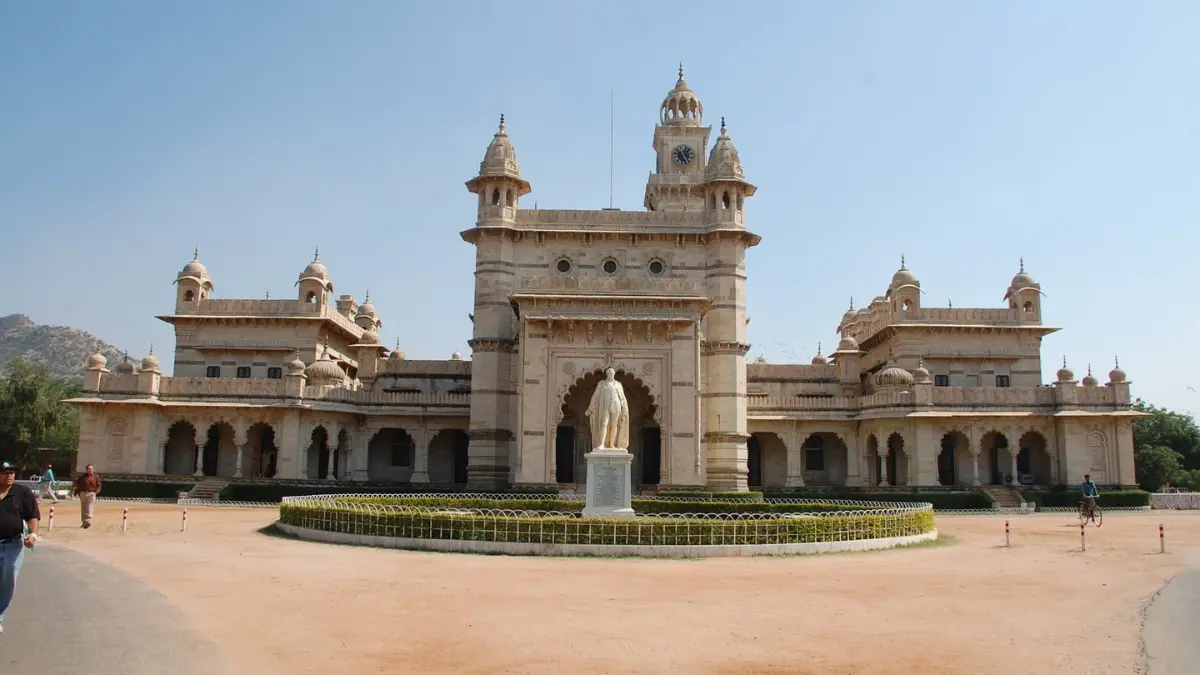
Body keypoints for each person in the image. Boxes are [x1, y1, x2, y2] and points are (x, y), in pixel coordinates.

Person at [1, 461, 41, 634]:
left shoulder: (22, 493)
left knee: (8, 581)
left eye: (12, 472)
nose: (9, 475)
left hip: (13, 544)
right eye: (4, 472)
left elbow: (32, 515)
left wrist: (33, 534)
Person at [70, 464, 102, 529]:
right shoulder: (82, 477)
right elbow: (77, 485)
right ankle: (84, 523)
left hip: (91, 493)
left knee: (89, 507)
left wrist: (95, 492)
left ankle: (88, 521)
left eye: (92, 469)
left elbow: (98, 485)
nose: (90, 470)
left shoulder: (96, 477)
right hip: (83, 494)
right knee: (83, 508)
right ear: (86, 470)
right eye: (89, 469)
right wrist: (74, 493)